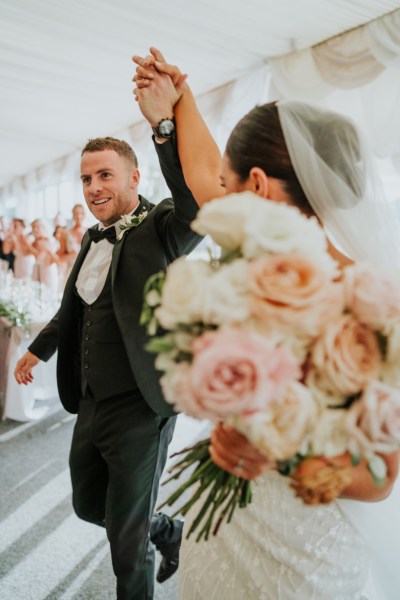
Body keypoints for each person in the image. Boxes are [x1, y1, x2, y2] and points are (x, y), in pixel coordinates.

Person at [133, 48, 400, 599]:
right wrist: (178, 101)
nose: (218, 196)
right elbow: (205, 172)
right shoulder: (252, 255)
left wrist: (278, 451)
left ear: (257, 185)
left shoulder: (370, 306)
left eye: (230, 187)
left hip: (305, 555)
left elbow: (382, 479)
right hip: (223, 534)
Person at [13, 79, 203, 599]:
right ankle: (164, 529)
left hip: (144, 404)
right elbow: (74, 308)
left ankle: (144, 543)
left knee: (125, 541)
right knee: (87, 504)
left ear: (134, 177)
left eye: (104, 176)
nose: (93, 187)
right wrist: (38, 348)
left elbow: (195, 205)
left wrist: (164, 129)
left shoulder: (161, 226)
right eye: (85, 179)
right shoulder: (92, 238)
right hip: (93, 400)